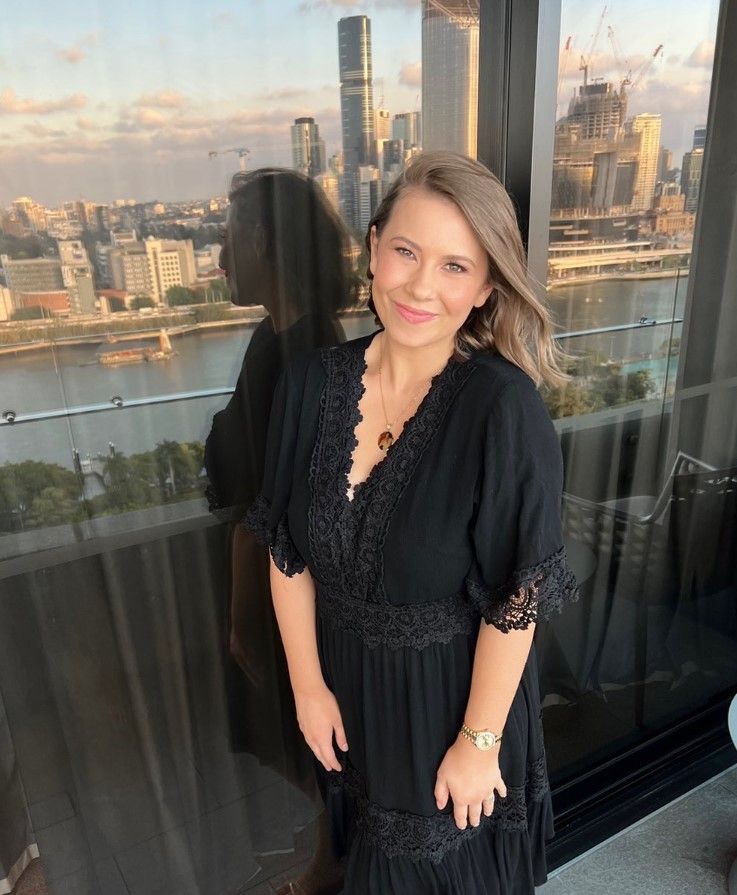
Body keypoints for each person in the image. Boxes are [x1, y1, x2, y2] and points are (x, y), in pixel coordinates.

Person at [241, 151, 581, 894]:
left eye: (455, 266)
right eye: (406, 251)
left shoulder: (501, 408)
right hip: (349, 695)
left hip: (449, 709)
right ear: (373, 249)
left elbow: (516, 597)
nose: (421, 286)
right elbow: (285, 549)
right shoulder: (309, 384)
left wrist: (478, 742)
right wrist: (308, 689)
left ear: (485, 287)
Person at [204, 167, 354, 894]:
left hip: (281, 582)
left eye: (229, 239)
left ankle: (334, 857)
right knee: (299, 728)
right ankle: (336, 849)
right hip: (297, 574)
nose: (220, 259)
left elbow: (258, 508)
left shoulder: (293, 354)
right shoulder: (299, 337)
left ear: (263, 240)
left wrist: (240, 618)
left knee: (290, 728)